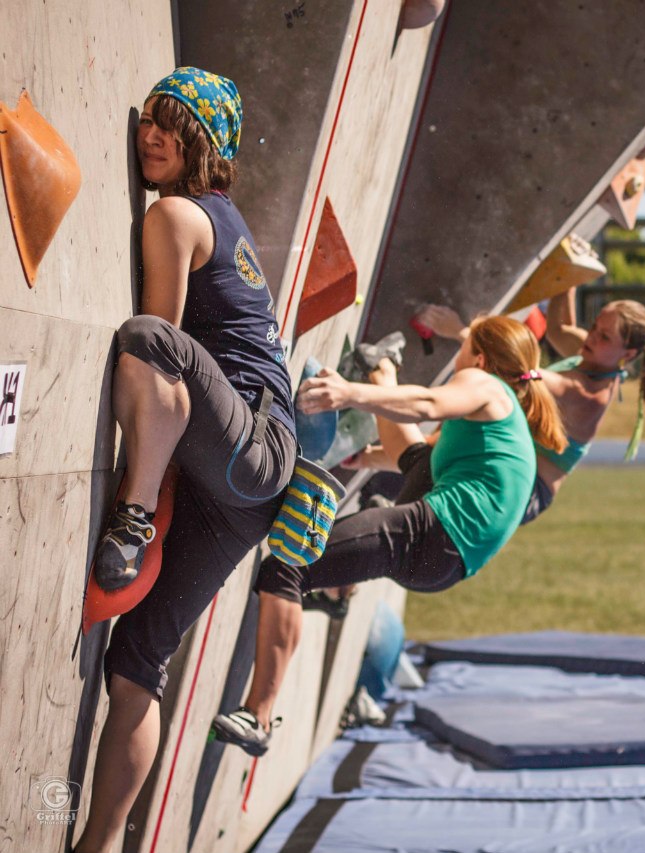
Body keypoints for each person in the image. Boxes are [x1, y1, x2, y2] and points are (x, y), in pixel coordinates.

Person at [76, 69, 296, 853]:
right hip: (246, 482)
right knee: (137, 663)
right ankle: (99, 843)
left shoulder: (175, 214)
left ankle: (131, 515)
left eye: (173, 125)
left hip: (249, 453)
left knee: (148, 340)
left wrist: (143, 496)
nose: (151, 135)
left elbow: (162, 343)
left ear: (205, 143)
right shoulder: (224, 218)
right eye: (149, 121)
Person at [212, 316, 564, 756]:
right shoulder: (505, 419)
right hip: (445, 559)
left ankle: (258, 717)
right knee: (419, 459)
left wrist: (348, 393)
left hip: (434, 532)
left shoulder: (486, 385)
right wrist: (366, 457)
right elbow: (419, 455)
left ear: (480, 357)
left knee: (286, 567)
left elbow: (426, 403)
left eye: (464, 346)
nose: (459, 357)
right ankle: (383, 367)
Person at [362, 287, 645, 523]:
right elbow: (560, 328)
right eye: (596, 324)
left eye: (604, 336)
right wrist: (568, 274)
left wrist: (459, 330)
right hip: (509, 459)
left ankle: (340, 591)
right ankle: (366, 461)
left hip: (523, 490)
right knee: (389, 479)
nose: (592, 336)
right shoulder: (594, 354)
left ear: (628, 354)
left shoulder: (587, 393)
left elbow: (512, 370)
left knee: (394, 483)